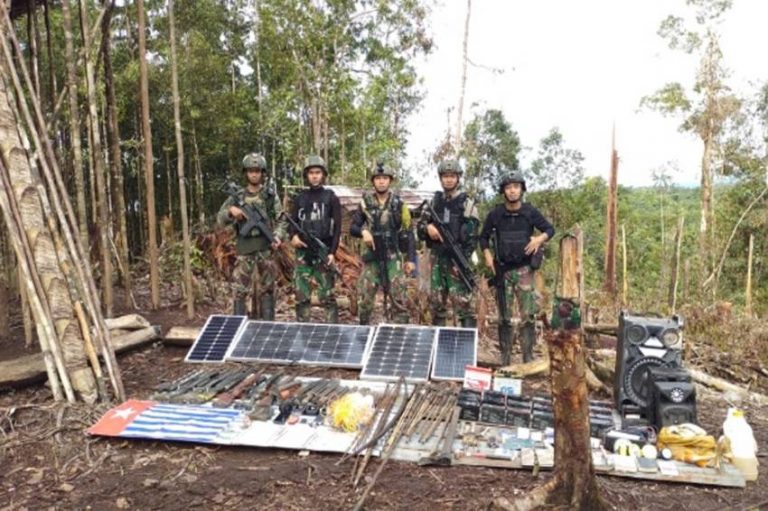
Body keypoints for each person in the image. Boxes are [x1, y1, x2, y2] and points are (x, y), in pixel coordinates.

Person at [479, 171, 555, 364]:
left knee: (527, 315)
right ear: (503, 191)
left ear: (521, 189)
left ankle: (527, 358)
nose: (512, 191)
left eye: (516, 187)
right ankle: (505, 357)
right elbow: (483, 237)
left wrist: (539, 238)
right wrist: (487, 255)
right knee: (504, 316)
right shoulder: (496, 213)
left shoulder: (529, 212)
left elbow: (549, 229)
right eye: (508, 187)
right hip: (502, 270)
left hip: (524, 270)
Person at [217, 152, 286, 319]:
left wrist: (277, 236)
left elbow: (281, 220)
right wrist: (231, 213)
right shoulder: (238, 196)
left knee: (268, 290)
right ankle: (237, 327)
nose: (254, 174)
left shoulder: (269, 196)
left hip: (266, 249)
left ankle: (268, 327)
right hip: (244, 248)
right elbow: (220, 219)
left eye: (257, 171)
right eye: (250, 171)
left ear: (263, 173)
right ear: (246, 173)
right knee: (239, 291)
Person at [350, 160, 416, 325]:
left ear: (390, 180)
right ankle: (363, 332)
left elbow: (408, 232)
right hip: (372, 257)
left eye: (385, 178)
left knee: (399, 298)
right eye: (378, 178)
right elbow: (353, 227)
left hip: (393, 257)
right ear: (373, 181)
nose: (381, 181)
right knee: (364, 298)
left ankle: (400, 337)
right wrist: (363, 231)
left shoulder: (400, 205)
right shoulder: (365, 203)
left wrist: (410, 259)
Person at [417, 159, 480, 328]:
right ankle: (440, 346)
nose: (449, 179)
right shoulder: (433, 202)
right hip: (437, 259)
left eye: (452, 176)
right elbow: (419, 228)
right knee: (437, 304)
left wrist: (461, 262)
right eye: (445, 176)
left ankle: (465, 348)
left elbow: (473, 237)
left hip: (458, 261)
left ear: (458, 178)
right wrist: (428, 227)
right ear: (440, 178)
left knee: (464, 306)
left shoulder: (467, 204)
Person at [288, 155, 342, 323]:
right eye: (311, 172)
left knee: (327, 296)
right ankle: (302, 331)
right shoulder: (300, 198)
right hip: (303, 252)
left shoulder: (331, 197)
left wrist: (332, 252)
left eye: (318, 172)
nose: (314, 176)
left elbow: (338, 227)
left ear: (323, 174)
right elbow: (292, 222)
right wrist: (293, 237)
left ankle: (332, 332)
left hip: (323, 250)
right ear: (306, 175)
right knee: (301, 295)